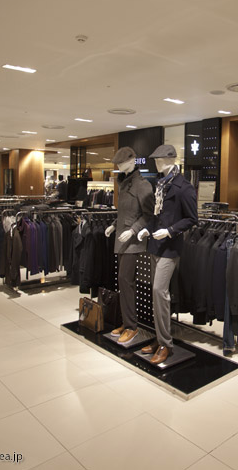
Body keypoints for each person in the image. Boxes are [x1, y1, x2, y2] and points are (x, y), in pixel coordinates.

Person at [137, 144, 198, 364]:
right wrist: (147, 229)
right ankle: (160, 338)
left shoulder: (184, 187)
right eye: (155, 160)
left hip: (170, 248)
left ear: (168, 160)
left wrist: (170, 231)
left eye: (158, 159)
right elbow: (157, 216)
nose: (156, 163)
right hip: (155, 245)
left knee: (159, 291)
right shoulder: (160, 185)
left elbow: (192, 218)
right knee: (157, 296)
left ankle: (166, 344)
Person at [104, 147, 154, 344]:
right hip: (122, 239)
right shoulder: (123, 184)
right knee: (123, 282)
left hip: (133, 242)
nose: (119, 166)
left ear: (132, 161)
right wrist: (113, 225)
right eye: (117, 163)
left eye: (122, 162)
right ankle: (127, 323)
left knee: (126, 280)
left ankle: (132, 326)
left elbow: (148, 215)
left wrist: (133, 230)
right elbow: (124, 212)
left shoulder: (143, 185)